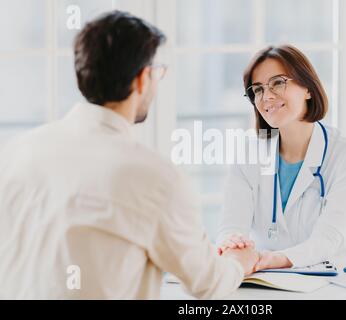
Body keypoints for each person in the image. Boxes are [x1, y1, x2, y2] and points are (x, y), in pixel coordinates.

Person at [0, 11, 258, 299]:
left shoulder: (16, 152)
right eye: (157, 71)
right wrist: (238, 262)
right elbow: (208, 283)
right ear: (142, 79)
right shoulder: (154, 177)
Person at [217, 45, 346, 271]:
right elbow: (231, 227)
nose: (266, 96)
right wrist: (233, 243)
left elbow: (327, 240)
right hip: (268, 280)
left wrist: (267, 259)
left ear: (307, 88)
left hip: (333, 281)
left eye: (278, 82)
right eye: (257, 89)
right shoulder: (248, 155)